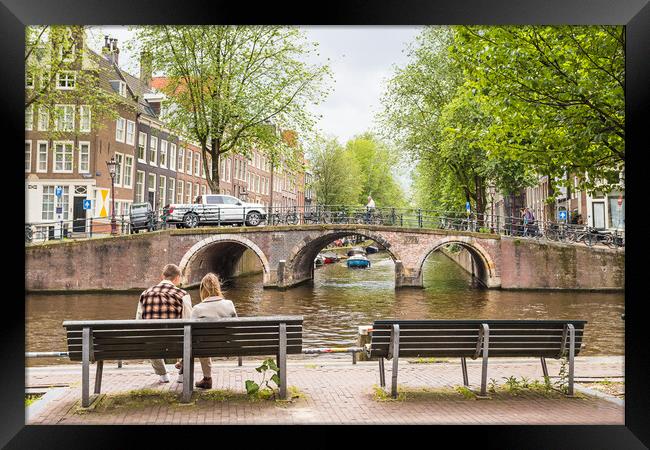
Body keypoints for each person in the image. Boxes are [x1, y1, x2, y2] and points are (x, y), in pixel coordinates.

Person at [136, 264, 192, 383]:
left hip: (153, 345)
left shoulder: (145, 294)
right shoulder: (183, 295)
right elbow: (189, 320)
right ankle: (182, 371)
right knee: (189, 335)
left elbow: (138, 322)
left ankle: (163, 374)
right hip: (177, 344)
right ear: (177, 278)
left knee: (149, 338)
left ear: (162, 276)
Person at [190, 273, 238, 389]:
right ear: (218, 288)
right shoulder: (229, 304)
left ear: (202, 290)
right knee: (203, 341)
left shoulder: (197, 309)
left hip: (205, 348)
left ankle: (207, 379)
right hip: (228, 346)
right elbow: (236, 326)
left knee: (198, 341)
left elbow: (190, 332)